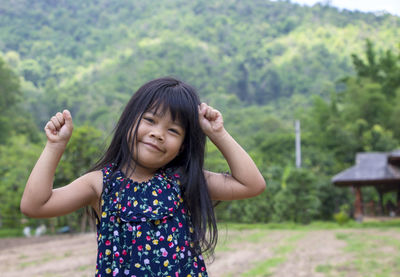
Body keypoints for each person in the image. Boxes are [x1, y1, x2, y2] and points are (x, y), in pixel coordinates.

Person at [20, 77, 266, 276]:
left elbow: (251, 184)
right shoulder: (100, 183)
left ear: (182, 145)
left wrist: (218, 133)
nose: (158, 134)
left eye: (173, 130)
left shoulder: (183, 179)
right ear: (129, 121)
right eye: (150, 120)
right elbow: (35, 205)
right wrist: (55, 146)